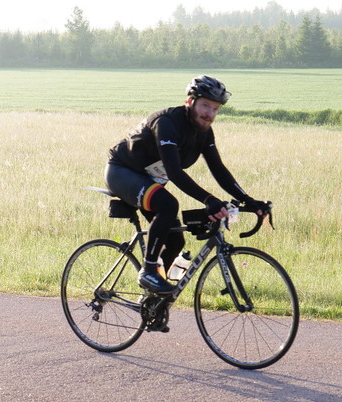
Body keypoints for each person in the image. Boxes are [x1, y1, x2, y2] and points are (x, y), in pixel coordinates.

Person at [105, 75, 270, 294]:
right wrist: (209, 200)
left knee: (175, 241)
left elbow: (219, 170)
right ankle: (148, 272)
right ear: (190, 102)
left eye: (215, 109)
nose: (209, 114)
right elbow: (174, 171)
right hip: (122, 172)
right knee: (168, 205)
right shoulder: (166, 123)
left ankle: (154, 298)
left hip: (149, 180)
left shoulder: (203, 132)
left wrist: (248, 200)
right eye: (205, 106)